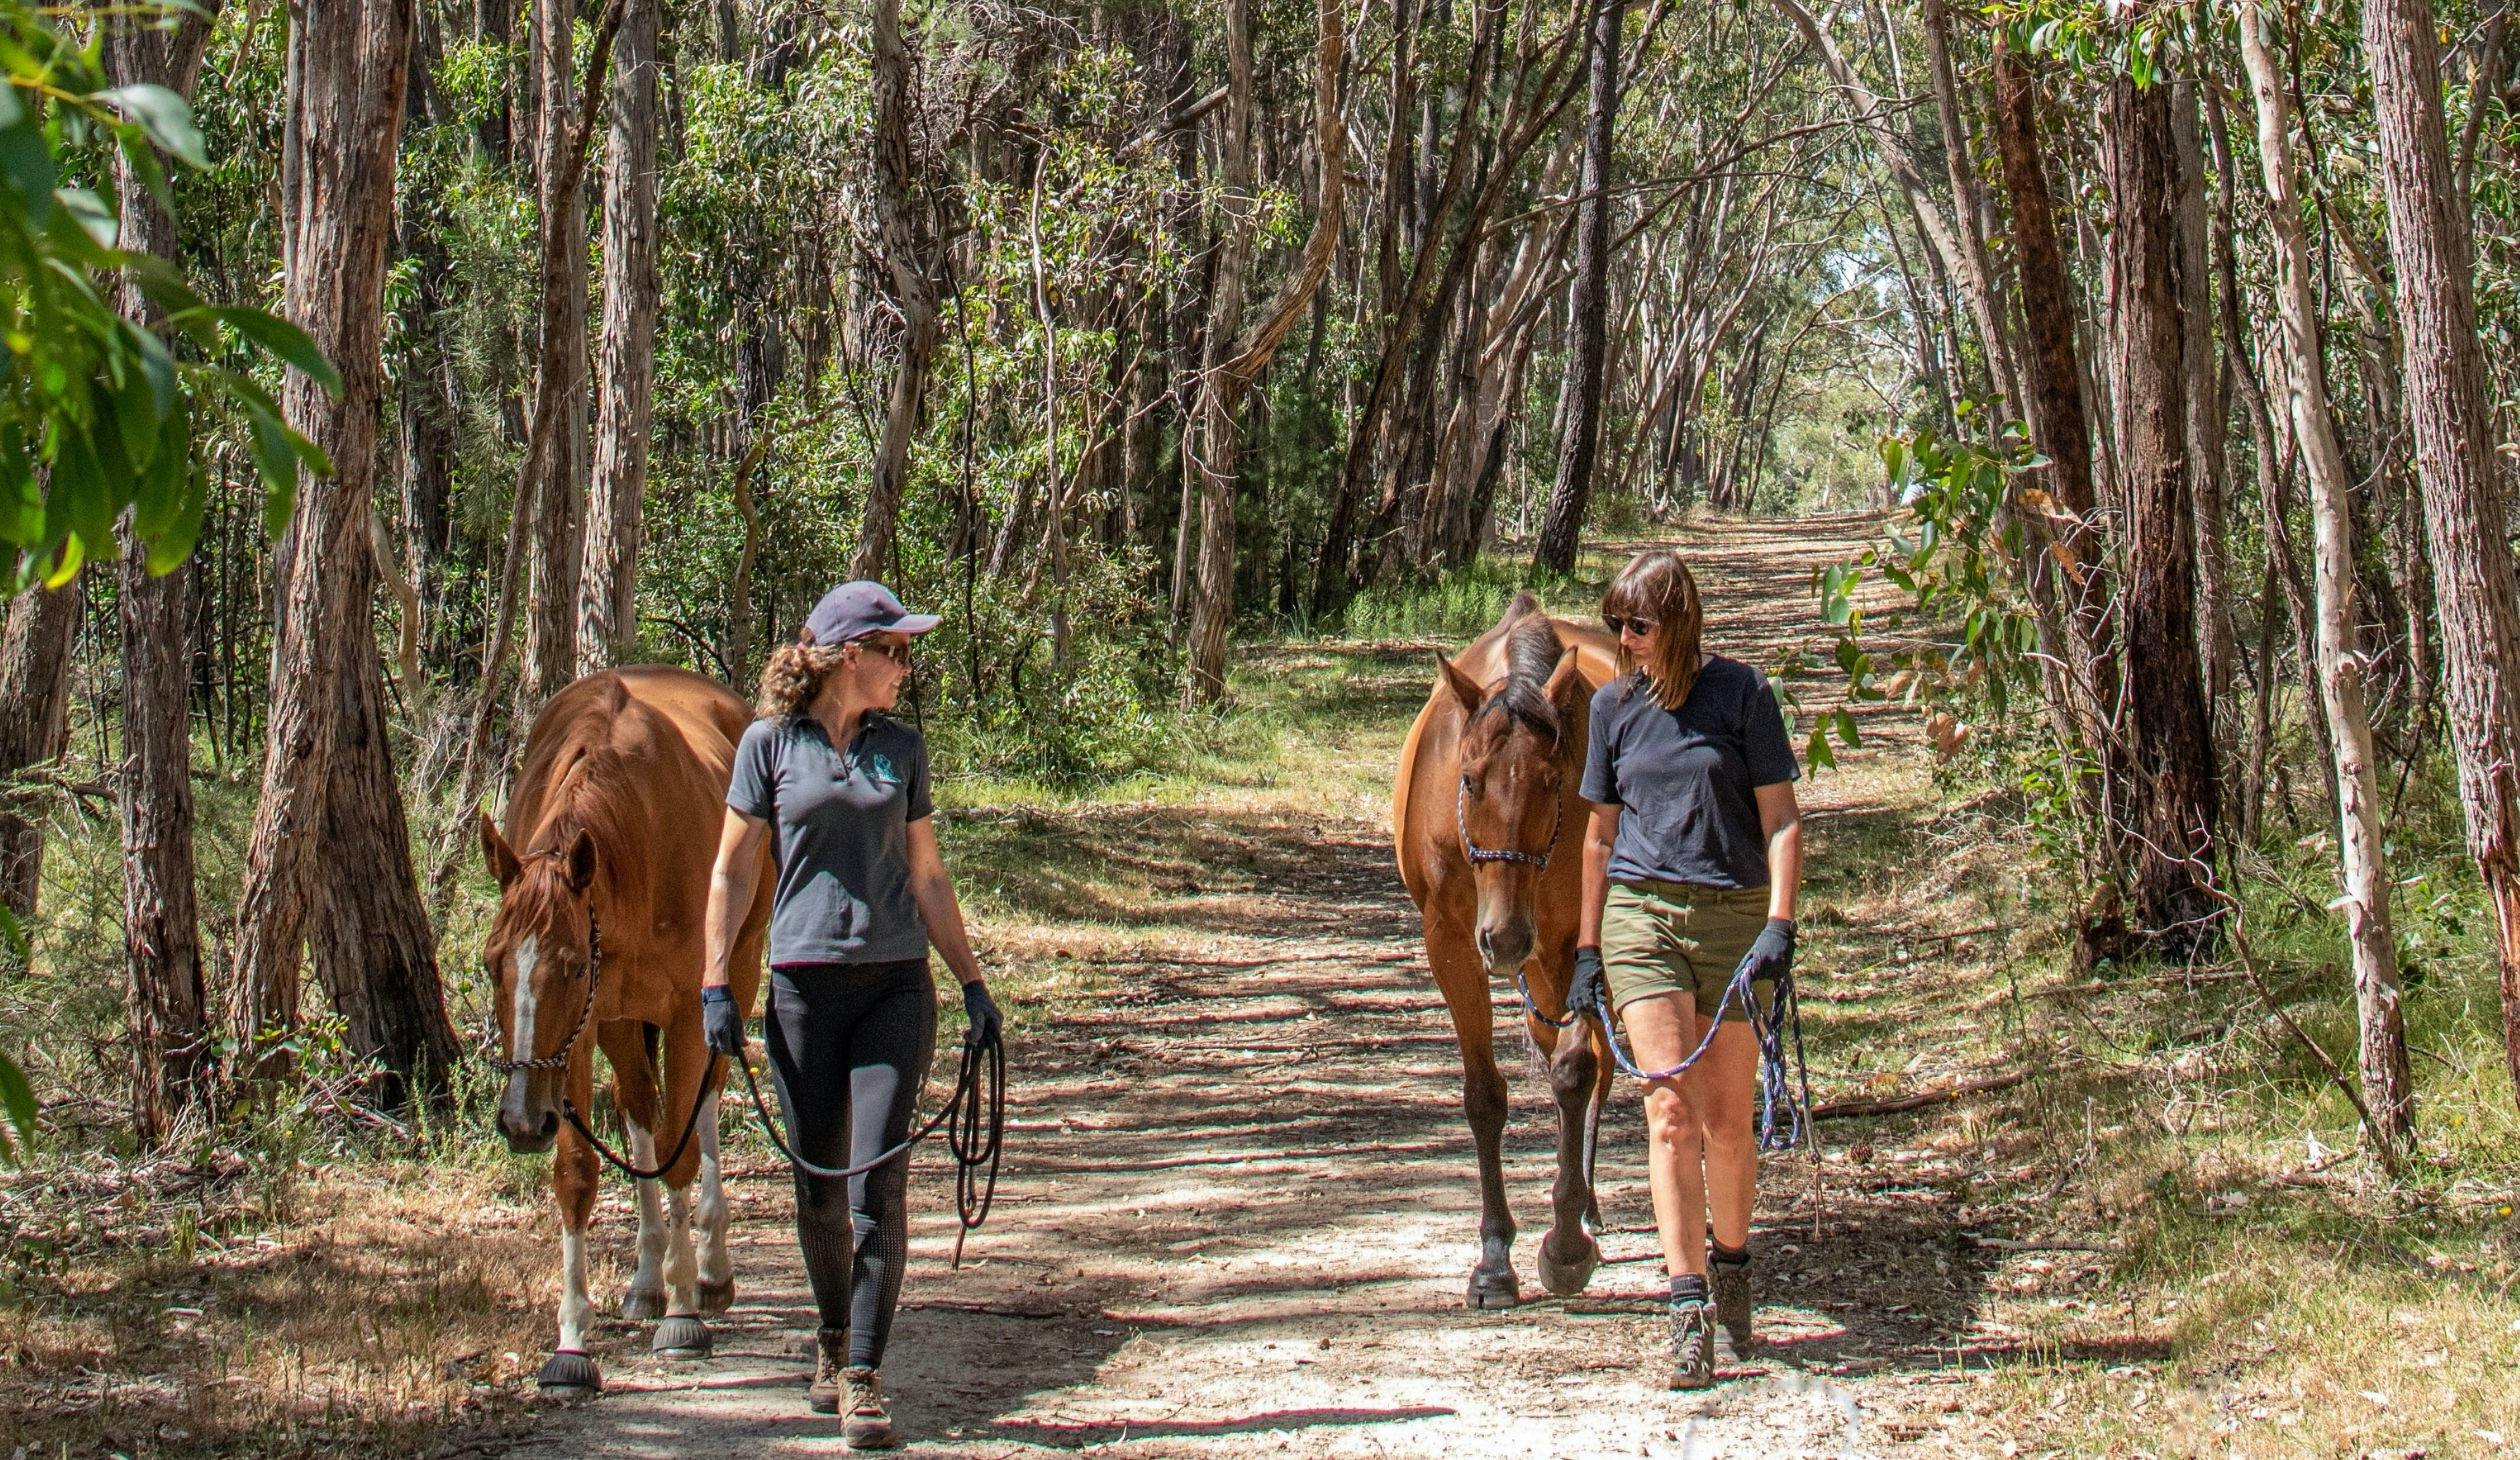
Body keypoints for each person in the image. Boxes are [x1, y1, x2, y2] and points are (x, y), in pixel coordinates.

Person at [698, 580, 1003, 1450]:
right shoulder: (767, 746)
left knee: (878, 1185)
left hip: (894, 989)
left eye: (907, 652)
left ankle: (863, 1373)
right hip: (801, 990)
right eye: (893, 652)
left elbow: (927, 874)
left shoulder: (901, 749)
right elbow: (732, 871)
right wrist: (716, 984)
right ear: (847, 657)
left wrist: (973, 983)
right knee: (820, 1190)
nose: (905, 667)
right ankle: (833, 1336)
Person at [1567, 549, 1802, 1390]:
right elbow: (1599, 835)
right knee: (1669, 1109)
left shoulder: (1743, 695)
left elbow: (1781, 820)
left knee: (1727, 1122)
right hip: (1642, 917)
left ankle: (1732, 1264)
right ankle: (1686, 1306)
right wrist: (1587, 951)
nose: (1625, 639)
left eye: (1639, 624)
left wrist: (1779, 924)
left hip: (1735, 918)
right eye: (1616, 624)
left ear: (1679, 622)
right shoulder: (1612, 709)